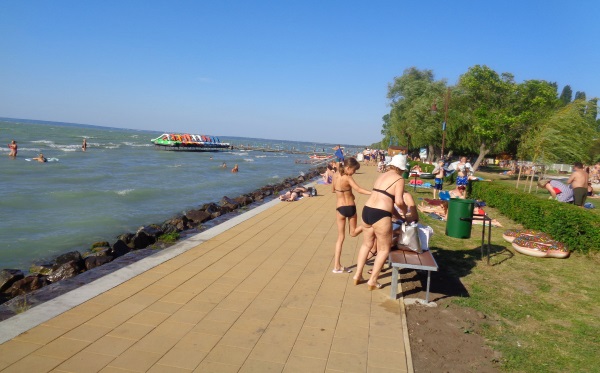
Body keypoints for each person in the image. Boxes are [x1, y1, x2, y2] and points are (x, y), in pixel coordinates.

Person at [352, 154, 406, 290]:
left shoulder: (382, 175)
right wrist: (405, 211)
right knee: (383, 249)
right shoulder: (399, 179)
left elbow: (385, 197)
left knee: (366, 244)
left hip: (367, 210)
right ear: (402, 168)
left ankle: (357, 275)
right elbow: (398, 201)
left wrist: (398, 215)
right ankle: (373, 280)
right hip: (381, 214)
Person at [331, 157, 371, 274]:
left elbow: (333, 189)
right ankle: (367, 225)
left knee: (340, 238)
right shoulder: (348, 178)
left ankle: (336, 266)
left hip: (339, 208)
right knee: (353, 233)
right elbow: (358, 189)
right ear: (348, 168)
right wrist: (373, 193)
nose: (354, 172)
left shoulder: (335, 176)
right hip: (350, 207)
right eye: (354, 170)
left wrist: (343, 191)